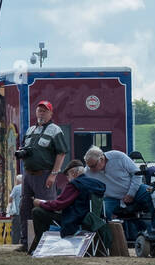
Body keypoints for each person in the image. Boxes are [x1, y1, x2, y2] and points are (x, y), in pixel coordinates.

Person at [15, 100, 69, 252]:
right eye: (39, 110)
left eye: (44, 111)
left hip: (44, 174)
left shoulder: (55, 130)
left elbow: (61, 153)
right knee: (25, 207)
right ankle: (26, 242)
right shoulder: (30, 130)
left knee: (46, 207)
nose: (41, 113)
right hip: (28, 174)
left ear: (51, 113)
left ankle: (49, 242)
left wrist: (53, 174)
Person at [27, 159, 106, 253]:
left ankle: (39, 246)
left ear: (74, 172)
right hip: (93, 219)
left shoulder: (75, 184)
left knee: (37, 212)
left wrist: (40, 203)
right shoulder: (97, 183)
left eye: (67, 175)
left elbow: (58, 205)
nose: (67, 178)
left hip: (76, 220)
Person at [83, 147, 148, 221]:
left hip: (135, 190)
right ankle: (112, 231)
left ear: (101, 159)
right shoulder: (87, 171)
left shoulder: (118, 157)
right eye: (89, 166)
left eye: (93, 166)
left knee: (152, 194)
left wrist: (131, 193)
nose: (91, 169)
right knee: (103, 212)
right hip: (111, 199)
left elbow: (137, 174)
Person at [6, 174, 23, 246]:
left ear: (18, 181)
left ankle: (15, 244)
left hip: (17, 212)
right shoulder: (26, 187)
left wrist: (9, 208)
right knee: (24, 229)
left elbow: (10, 198)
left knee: (16, 229)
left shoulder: (16, 188)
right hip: (25, 212)